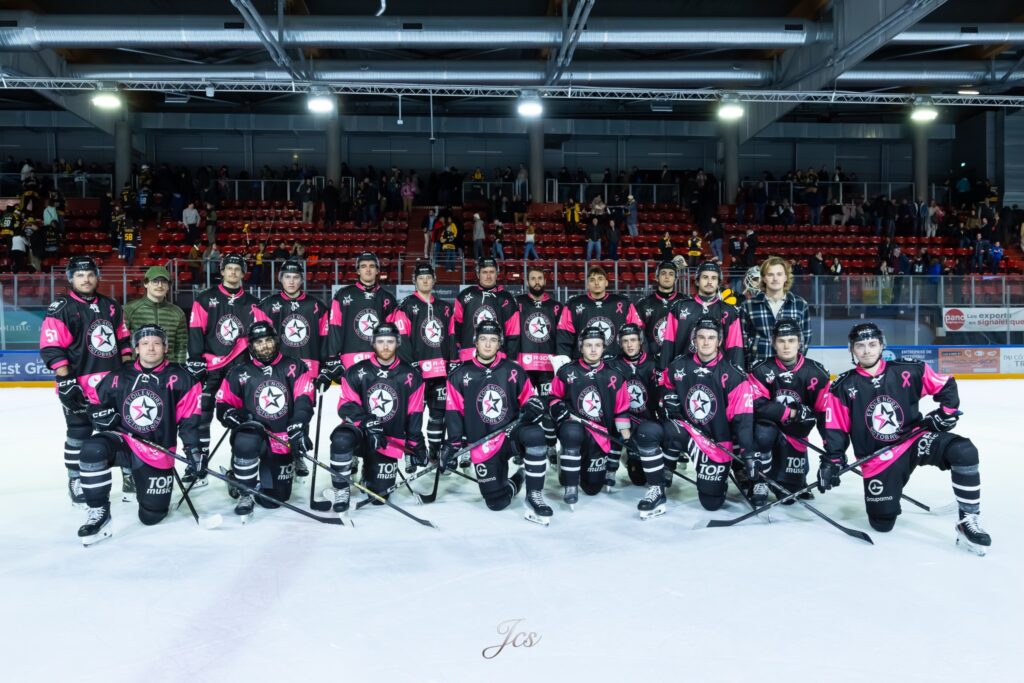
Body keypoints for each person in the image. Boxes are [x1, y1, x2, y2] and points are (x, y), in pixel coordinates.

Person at [820, 323, 991, 555]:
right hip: (878, 460)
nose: (867, 350)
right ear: (852, 350)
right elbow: (835, 428)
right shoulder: (842, 386)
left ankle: (968, 520)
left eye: (872, 344)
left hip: (914, 441)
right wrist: (833, 459)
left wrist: (946, 414)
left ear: (882, 345)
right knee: (882, 523)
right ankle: (889, 496)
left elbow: (946, 384)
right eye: (860, 346)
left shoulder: (907, 370)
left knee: (964, 450)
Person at [76, 325, 202, 545]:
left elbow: (190, 421)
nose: (150, 348)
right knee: (92, 449)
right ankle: (99, 514)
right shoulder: (118, 376)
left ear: (166, 347)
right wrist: (99, 415)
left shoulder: (182, 378)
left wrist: (193, 451)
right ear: (136, 348)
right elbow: (94, 403)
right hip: (124, 441)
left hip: (156, 450)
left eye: (156, 343)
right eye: (144, 343)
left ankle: (143, 485)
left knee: (151, 517)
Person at [40, 255, 133, 504]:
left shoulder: (111, 305)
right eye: (80, 275)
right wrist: (66, 380)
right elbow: (52, 347)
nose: (86, 279)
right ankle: (76, 479)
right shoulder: (61, 307)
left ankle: (129, 475)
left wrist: (128, 372)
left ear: (97, 277)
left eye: (90, 274)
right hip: (79, 383)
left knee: (122, 430)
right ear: (71, 279)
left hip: (112, 384)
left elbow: (123, 341)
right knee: (79, 431)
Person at [444, 320, 553, 524]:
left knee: (536, 434)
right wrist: (452, 445)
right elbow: (453, 412)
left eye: (493, 340)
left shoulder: (514, 370)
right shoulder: (458, 375)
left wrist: (533, 407)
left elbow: (532, 401)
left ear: (499, 343)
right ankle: (518, 478)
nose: (487, 345)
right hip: (483, 442)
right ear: (475, 342)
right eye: (483, 339)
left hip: (511, 435)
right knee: (497, 502)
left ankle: (534, 494)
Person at [216, 321, 315, 522]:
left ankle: (237, 478)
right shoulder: (239, 371)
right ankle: (245, 491)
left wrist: (298, 426)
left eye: (268, 340)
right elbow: (223, 402)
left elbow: (304, 400)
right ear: (251, 346)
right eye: (259, 342)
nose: (265, 346)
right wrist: (228, 413)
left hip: (281, 438)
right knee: (245, 440)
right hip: (254, 436)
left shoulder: (295, 366)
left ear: (276, 340)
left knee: (274, 500)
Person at [326, 322, 424, 516]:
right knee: (341, 439)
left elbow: (415, 413)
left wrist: (415, 445)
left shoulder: (411, 376)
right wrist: (369, 423)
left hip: (389, 439)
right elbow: (345, 406)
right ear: (373, 343)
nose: (385, 346)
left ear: (398, 343)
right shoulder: (356, 371)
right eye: (380, 342)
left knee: (378, 497)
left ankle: (368, 474)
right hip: (359, 433)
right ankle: (341, 489)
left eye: (390, 342)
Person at [661, 315, 755, 510]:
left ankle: (721, 479)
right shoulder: (678, 365)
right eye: (701, 337)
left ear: (719, 341)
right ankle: (661, 477)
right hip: (689, 433)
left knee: (711, 503)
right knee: (654, 430)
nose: (705, 342)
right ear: (694, 340)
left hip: (716, 442)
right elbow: (664, 385)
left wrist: (748, 453)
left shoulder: (734, 376)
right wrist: (667, 397)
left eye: (711, 337)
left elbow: (743, 421)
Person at [186, 253, 259, 488]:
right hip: (211, 366)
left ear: (243, 273)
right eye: (229, 268)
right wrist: (196, 358)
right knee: (201, 415)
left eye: (238, 269)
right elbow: (196, 329)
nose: (233, 272)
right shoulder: (205, 299)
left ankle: (239, 465)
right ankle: (198, 464)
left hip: (240, 367)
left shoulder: (252, 302)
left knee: (241, 417)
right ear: (223, 271)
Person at [255, 259, 330, 477]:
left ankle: (298, 454)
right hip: (276, 369)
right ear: (280, 279)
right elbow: (258, 341)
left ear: (302, 279)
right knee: (276, 410)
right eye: (287, 277)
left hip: (308, 369)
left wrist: (326, 366)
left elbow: (325, 339)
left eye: (296, 277)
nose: (291, 281)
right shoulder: (268, 304)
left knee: (302, 411)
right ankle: (274, 451)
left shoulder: (317, 306)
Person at [548, 326, 633, 509]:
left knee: (592, 487)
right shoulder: (566, 372)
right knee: (571, 433)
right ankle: (570, 485)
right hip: (576, 428)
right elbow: (553, 398)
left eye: (597, 345)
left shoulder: (615, 375)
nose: (593, 350)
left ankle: (595, 471)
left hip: (601, 434)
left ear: (604, 348)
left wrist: (627, 439)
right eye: (588, 345)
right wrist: (559, 408)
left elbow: (621, 410)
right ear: (581, 347)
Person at [747, 319, 830, 504]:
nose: (786, 346)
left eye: (791, 340)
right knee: (763, 434)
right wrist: (791, 413)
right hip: (767, 428)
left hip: (795, 434)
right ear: (773, 342)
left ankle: (790, 479)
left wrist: (833, 452)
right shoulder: (761, 369)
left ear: (799, 342)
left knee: (788, 496)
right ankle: (760, 480)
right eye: (781, 341)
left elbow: (824, 414)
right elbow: (757, 404)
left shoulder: (816, 373)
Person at [392, 262, 454, 465]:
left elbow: (452, 337)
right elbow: (401, 338)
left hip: (440, 372)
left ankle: (435, 451)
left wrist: (453, 362)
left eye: (428, 277)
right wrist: (411, 365)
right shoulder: (406, 305)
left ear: (434, 280)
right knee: (412, 415)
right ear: (414, 281)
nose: (425, 280)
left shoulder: (445, 307)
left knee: (438, 414)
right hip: (416, 373)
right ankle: (412, 452)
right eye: (421, 278)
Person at [608, 323, 669, 518]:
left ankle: (664, 466)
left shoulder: (653, 364)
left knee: (639, 479)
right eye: (625, 341)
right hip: (623, 420)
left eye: (633, 340)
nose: (630, 345)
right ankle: (611, 467)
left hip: (646, 423)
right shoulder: (613, 364)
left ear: (640, 341)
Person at [319, 252, 398, 391]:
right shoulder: (343, 295)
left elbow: (393, 335)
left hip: (379, 359)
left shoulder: (388, 298)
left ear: (378, 270)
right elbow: (334, 328)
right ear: (358, 271)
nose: (368, 270)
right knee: (352, 405)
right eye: (363, 266)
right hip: (349, 359)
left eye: (372, 266)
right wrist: (332, 358)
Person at [659, 261, 744, 370]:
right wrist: (664, 371)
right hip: (683, 372)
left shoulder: (730, 311)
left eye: (713, 278)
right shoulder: (679, 308)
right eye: (705, 277)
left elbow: (735, 347)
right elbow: (668, 343)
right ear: (697, 281)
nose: (709, 282)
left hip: (718, 374)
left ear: (718, 283)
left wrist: (737, 377)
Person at [515, 267, 563, 458]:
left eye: (539, 278)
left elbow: (561, 337)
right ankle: (520, 448)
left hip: (547, 368)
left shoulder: (556, 306)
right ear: (527, 282)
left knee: (548, 408)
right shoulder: (517, 303)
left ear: (545, 280)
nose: (536, 281)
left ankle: (551, 445)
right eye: (533, 278)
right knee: (523, 409)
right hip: (522, 367)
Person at [554, 265, 641, 362]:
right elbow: (564, 337)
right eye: (592, 280)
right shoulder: (573, 304)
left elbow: (637, 332)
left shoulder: (624, 303)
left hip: (617, 364)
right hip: (583, 366)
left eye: (600, 279)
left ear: (606, 282)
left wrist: (638, 361)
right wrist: (564, 363)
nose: (596, 283)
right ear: (587, 284)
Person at [740, 256, 812, 370]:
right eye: (770, 274)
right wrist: (749, 363)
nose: (775, 278)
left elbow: (805, 337)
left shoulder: (800, 304)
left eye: (779, 274)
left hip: (789, 370)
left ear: (786, 277)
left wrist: (795, 364)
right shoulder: (748, 306)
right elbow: (742, 340)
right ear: (763, 278)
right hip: (758, 368)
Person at [448, 256, 521, 362]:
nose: (488, 276)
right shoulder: (464, 296)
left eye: (491, 272)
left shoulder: (507, 298)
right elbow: (455, 329)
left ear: (497, 274)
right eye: (484, 272)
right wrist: (454, 358)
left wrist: (511, 360)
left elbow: (513, 332)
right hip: (468, 357)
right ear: (478, 274)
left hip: (499, 359)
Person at [123, 265, 188, 363]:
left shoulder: (178, 312)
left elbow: (181, 346)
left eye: (164, 281)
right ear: (146, 283)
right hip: (136, 371)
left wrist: (178, 369)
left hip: (169, 372)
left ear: (168, 286)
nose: (160, 285)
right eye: (155, 281)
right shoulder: (129, 309)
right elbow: (122, 343)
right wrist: (128, 366)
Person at [636, 261, 686, 362]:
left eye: (671, 274)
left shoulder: (685, 302)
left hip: (679, 360)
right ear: (657, 277)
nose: (667, 277)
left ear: (676, 279)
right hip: (652, 361)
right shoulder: (644, 303)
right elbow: (638, 334)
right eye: (663, 273)